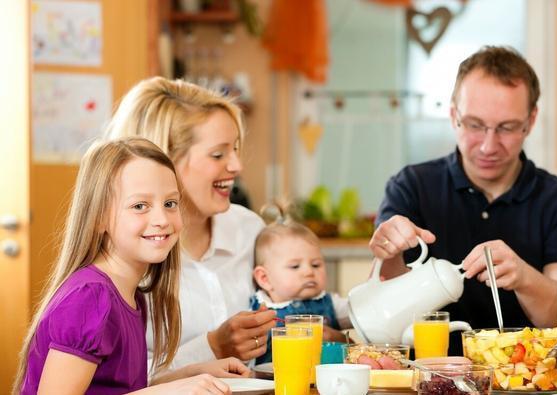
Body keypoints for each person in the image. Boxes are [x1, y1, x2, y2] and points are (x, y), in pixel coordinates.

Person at [369, 46, 557, 355]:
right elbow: (384, 306)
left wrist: (524, 277)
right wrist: (389, 251)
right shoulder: (411, 187)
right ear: (453, 116)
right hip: (425, 375)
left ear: (530, 121)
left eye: (506, 127)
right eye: (475, 125)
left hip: (527, 381)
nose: (489, 146)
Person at [14, 138, 246, 395]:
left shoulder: (132, 295)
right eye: (139, 206)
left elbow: (119, 389)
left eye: (170, 203)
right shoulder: (91, 298)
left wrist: (190, 376)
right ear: (99, 218)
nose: (161, 219)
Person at [104, 77, 276, 376]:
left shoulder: (248, 229)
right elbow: (110, 379)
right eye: (218, 154)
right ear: (163, 159)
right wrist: (211, 348)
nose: (237, 165)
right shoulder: (126, 254)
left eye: (235, 149)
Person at [249, 204, 351, 364]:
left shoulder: (332, 303)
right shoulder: (255, 313)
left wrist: (342, 339)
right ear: (264, 278)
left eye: (316, 264)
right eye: (295, 266)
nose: (309, 272)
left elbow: (360, 313)